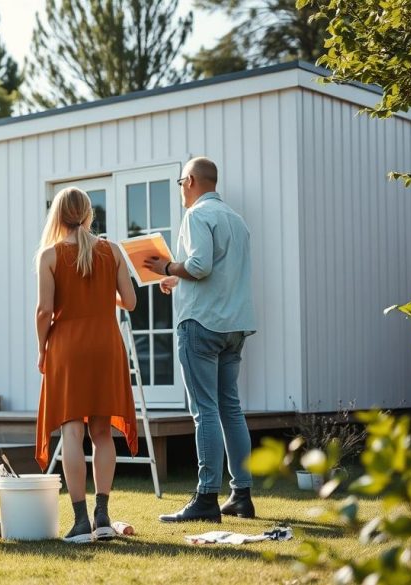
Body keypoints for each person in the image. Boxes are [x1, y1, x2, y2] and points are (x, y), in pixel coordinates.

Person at [143, 157, 258, 523]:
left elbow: (199, 266)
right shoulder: (237, 221)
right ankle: (241, 494)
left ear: (190, 181)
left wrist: (167, 268)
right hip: (234, 327)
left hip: (202, 325)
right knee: (230, 409)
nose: (180, 189)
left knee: (204, 411)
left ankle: (206, 497)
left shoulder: (196, 215)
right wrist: (177, 279)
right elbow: (217, 272)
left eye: (180, 182)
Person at [34, 187, 139, 544]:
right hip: (107, 345)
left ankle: (80, 522)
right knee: (102, 433)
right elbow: (131, 301)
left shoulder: (49, 255)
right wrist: (98, 296)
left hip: (67, 347)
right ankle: (103, 516)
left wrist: (41, 348)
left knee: (72, 434)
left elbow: (44, 311)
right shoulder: (112, 250)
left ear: (57, 214)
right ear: (88, 214)